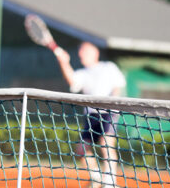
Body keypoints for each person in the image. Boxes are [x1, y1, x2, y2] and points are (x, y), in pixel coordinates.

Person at [54, 42, 126, 188]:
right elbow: (72, 80)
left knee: (106, 144)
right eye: (80, 52)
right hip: (91, 115)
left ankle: (110, 183)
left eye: (84, 52)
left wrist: (112, 104)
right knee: (81, 149)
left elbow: (118, 86)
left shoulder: (108, 67)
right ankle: (97, 179)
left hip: (108, 112)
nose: (81, 55)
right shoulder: (83, 73)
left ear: (95, 53)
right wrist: (64, 62)